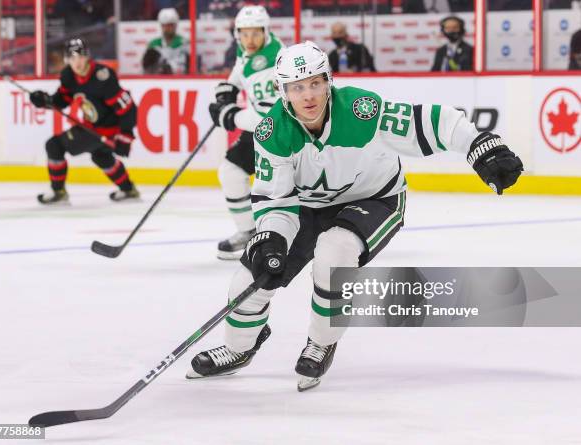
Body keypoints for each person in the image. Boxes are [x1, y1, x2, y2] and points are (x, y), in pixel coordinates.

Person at [186, 42, 523, 390]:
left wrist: (481, 144)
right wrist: (271, 237)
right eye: (297, 87)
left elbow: (434, 121)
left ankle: (321, 340)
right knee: (249, 279)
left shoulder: (362, 111)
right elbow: (276, 200)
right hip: (307, 208)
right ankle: (238, 347)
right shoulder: (272, 134)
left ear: (329, 82)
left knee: (334, 252)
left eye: (316, 83)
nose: (308, 95)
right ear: (282, 91)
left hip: (374, 199)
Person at [208, 5, 285, 260]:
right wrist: (228, 88)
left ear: (266, 32)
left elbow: (267, 117)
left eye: (255, 34)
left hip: (281, 134)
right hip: (262, 131)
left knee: (281, 189)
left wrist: (231, 116)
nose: (249, 40)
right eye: (244, 34)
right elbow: (240, 70)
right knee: (230, 172)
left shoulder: (273, 63)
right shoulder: (248, 51)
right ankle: (248, 232)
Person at [30, 38, 139, 204]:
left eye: (80, 57)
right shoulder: (68, 76)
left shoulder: (103, 76)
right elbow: (62, 100)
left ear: (87, 56)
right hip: (92, 128)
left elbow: (128, 108)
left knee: (54, 145)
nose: (77, 62)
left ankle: (58, 191)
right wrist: (46, 100)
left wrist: (125, 135)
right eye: (72, 58)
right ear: (67, 60)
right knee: (101, 157)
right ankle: (128, 189)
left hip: (107, 130)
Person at [144, 8, 189, 74]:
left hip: (178, 80)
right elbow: (146, 67)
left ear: (175, 25)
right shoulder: (154, 44)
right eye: (164, 25)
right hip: (158, 80)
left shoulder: (184, 43)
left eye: (170, 25)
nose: (167, 28)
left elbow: (187, 67)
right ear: (161, 26)